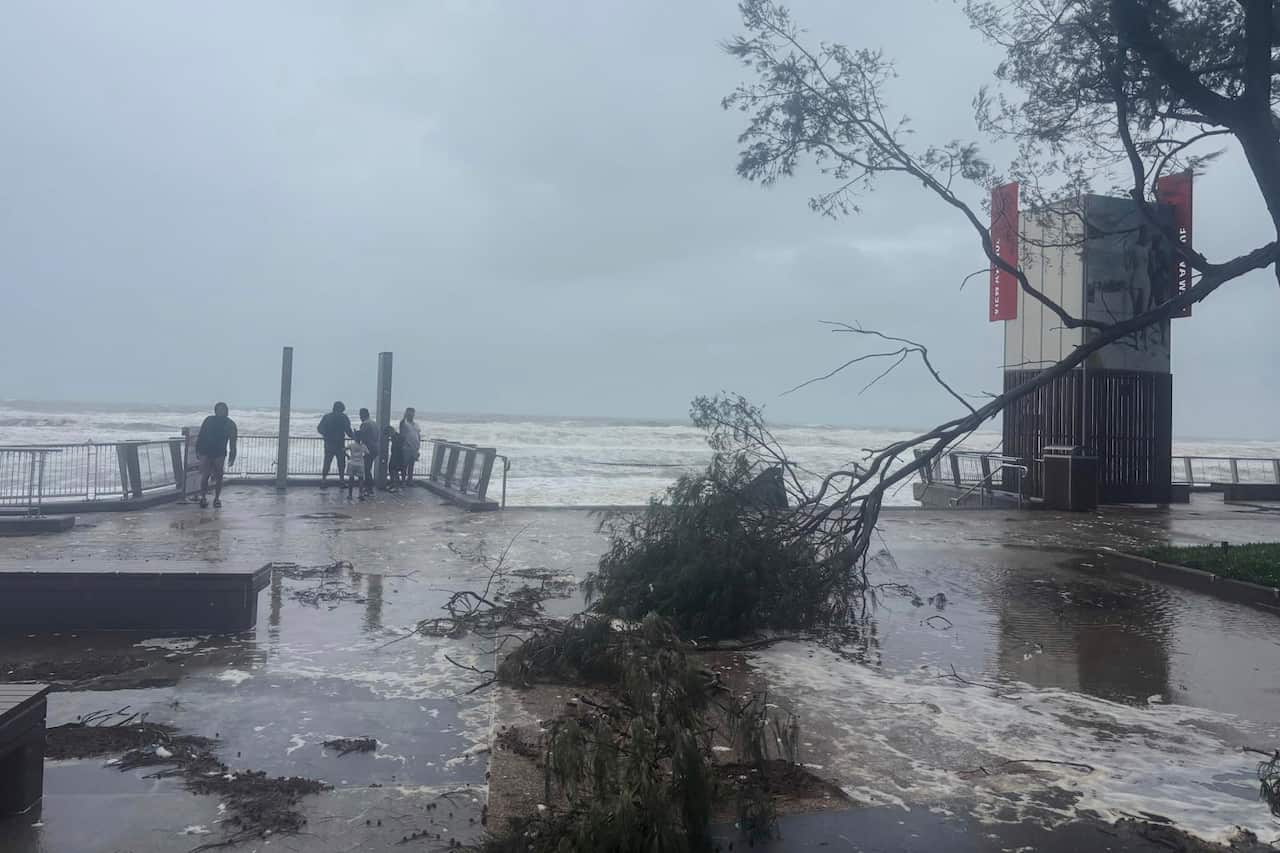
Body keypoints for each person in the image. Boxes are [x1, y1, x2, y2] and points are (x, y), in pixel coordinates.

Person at [196, 402, 237, 509]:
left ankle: (217, 498)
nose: (222, 411)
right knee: (205, 475)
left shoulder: (230, 424)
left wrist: (233, 456)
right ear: (215, 411)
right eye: (219, 409)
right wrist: (198, 450)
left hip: (220, 453)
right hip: (206, 451)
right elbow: (201, 436)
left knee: (219, 476)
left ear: (227, 411)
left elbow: (233, 441)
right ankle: (203, 497)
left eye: (224, 410)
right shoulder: (208, 420)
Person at [318, 401, 354, 487]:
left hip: (328, 444)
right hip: (340, 444)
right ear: (341, 409)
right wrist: (355, 437)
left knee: (327, 462)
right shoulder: (344, 417)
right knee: (341, 464)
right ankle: (341, 482)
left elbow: (319, 428)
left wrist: (326, 435)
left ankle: (323, 481)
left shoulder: (327, 417)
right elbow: (348, 431)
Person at [355, 408, 379, 494]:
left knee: (366, 469)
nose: (360, 417)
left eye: (360, 415)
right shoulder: (374, 423)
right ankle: (369, 487)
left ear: (362, 415)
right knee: (368, 468)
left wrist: (356, 434)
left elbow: (362, 437)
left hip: (368, 449)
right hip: (375, 448)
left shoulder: (365, 424)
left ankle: (369, 488)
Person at [399, 407, 422, 483]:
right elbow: (401, 429)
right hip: (406, 448)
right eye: (409, 413)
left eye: (412, 413)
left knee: (411, 466)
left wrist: (418, 447)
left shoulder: (416, 424)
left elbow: (418, 435)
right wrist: (404, 417)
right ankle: (403, 481)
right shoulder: (404, 423)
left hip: (414, 448)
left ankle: (410, 481)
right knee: (404, 466)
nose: (411, 415)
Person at [386, 424, 405, 489]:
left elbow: (398, 447)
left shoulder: (396, 437)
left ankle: (396, 486)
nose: (389, 435)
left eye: (388, 433)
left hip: (397, 456)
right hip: (396, 455)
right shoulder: (396, 436)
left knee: (395, 470)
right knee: (392, 469)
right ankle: (394, 484)